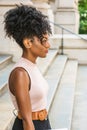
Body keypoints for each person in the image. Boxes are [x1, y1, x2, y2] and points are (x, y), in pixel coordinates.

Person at [4, 4, 52, 130]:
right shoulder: (20, 73)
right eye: (44, 40)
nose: (48, 45)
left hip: (43, 123)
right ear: (28, 42)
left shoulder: (32, 66)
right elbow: (27, 120)